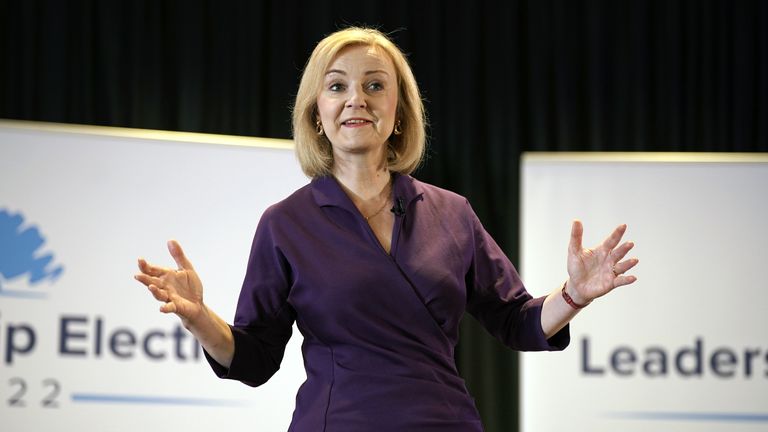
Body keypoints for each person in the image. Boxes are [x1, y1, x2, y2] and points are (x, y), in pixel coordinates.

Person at [134, 27, 638, 431]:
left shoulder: (452, 213)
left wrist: (574, 294)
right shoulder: (285, 224)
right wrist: (199, 317)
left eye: (375, 85)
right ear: (317, 113)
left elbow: (517, 322)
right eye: (337, 86)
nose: (357, 99)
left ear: (398, 112)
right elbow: (254, 359)